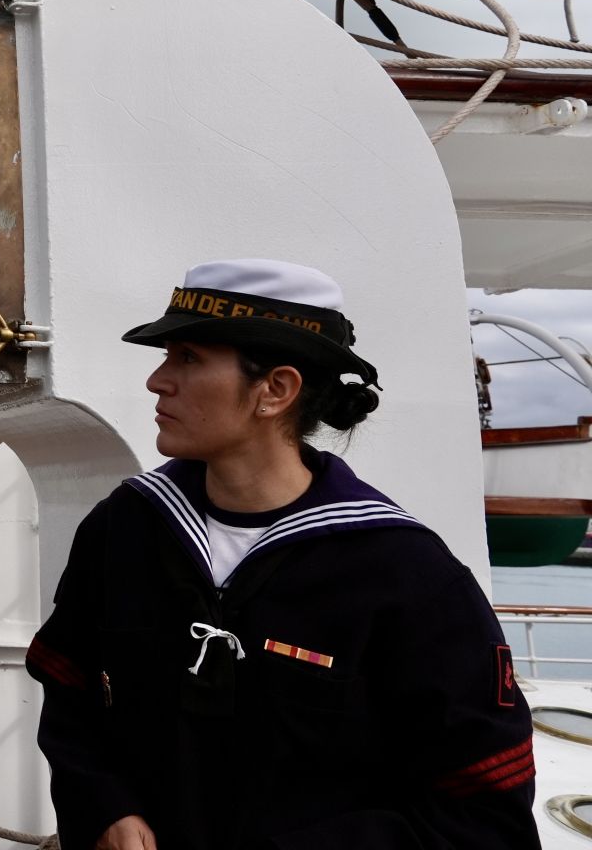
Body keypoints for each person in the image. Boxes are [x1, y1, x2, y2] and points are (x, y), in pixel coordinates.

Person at [27, 259, 540, 850]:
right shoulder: (126, 526)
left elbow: (483, 812)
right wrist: (105, 804)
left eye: (188, 358)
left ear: (275, 390)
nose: (158, 380)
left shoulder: (405, 574)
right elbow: (70, 688)